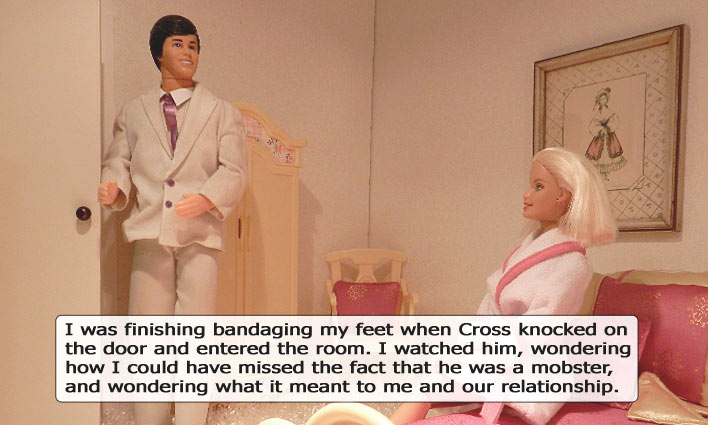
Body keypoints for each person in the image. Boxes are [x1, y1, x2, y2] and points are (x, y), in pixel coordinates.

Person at [391, 147, 616, 425]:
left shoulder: (573, 265)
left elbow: (539, 333)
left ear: (563, 195)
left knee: (440, 370)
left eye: (538, 187)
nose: (526, 194)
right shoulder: (528, 250)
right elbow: (491, 307)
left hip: (532, 366)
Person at [98, 15, 247, 425]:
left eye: (193, 45)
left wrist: (207, 197)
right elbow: (118, 160)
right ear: (158, 53)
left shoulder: (221, 112)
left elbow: (234, 170)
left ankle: (191, 419)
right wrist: (114, 188)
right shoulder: (134, 112)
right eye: (178, 44)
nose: (188, 53)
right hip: (151, 232)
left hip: (200, 234)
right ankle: (149, 417)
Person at [585, 87, 626, 180]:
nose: (603, 101)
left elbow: (615, 122)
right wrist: (599, 129)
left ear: (607, 100)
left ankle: (606, 173)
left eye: (604, 99)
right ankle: (601, 174)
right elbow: (592, 125)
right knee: (598, 155)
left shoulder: (610, 112)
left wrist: (608, 128)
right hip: (599, 137)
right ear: (599, 101)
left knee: (608, 154)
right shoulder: (597, 114)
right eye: (601, 99)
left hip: (609, 137)